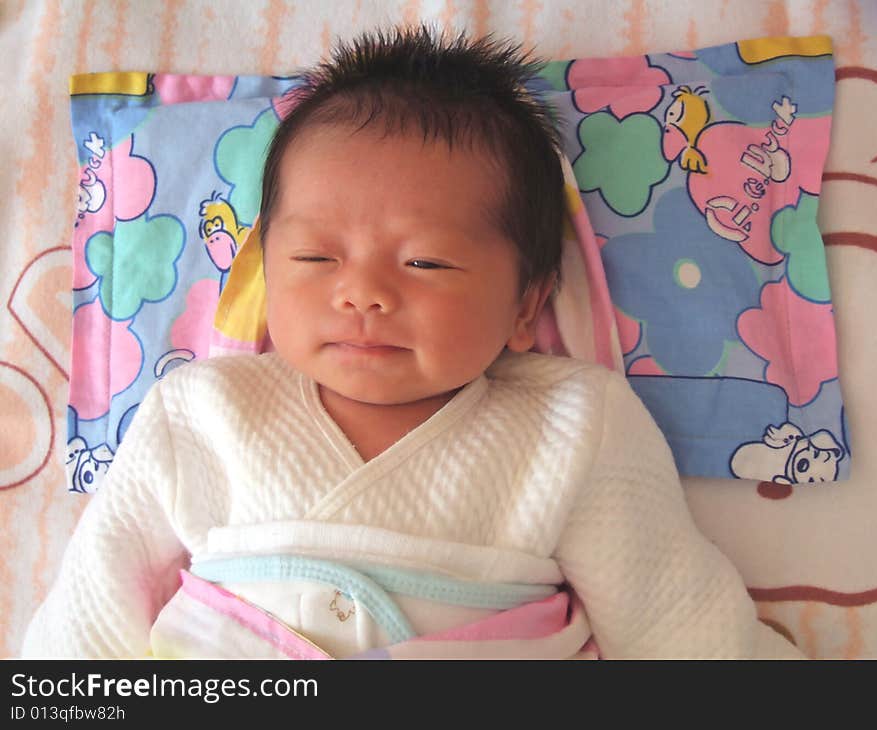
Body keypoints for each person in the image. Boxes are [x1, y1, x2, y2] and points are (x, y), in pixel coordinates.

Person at [22, 26, 802, 659]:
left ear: (527, 303)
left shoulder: (573, 423)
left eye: (425, 261)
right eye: (315, 258)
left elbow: (670, 613)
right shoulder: (203, 408)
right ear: (268, 269)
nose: (362, 292)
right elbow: (98, 599)